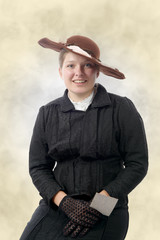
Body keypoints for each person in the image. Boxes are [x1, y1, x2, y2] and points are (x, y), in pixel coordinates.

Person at [20, 35, 148, 240]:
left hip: (107, 209)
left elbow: (137, 165)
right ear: (61, 72)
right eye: (71, 65)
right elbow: (38, 168)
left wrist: (100, 205)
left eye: (87, 65)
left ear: (97, 71)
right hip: (58, 206)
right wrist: (64, 202)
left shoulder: (122, 109)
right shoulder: (47, 113)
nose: (78, 73)